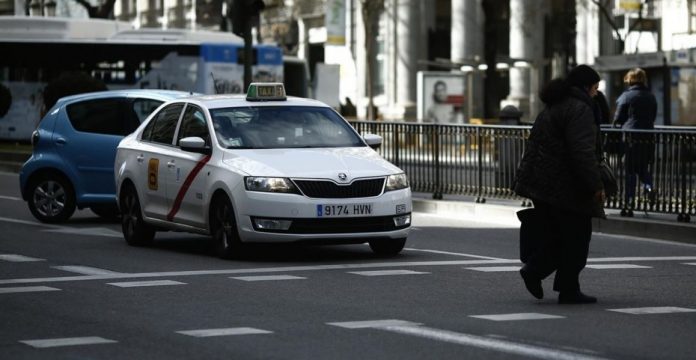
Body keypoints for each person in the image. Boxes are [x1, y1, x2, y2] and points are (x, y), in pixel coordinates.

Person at [513, 64, 605, 304]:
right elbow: (582, 152)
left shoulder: (554, 105)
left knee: (558, 236)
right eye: (595, 88)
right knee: (575, 238)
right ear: (586, 87)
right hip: (566, 185)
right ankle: (550, 279)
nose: (596, 93)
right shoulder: (580, 109)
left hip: (543, 183)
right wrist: (595, 184)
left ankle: (562, 285)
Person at [613, 68, 657, 215]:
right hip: (648, 137)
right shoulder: (651, 96)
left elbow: (618, 118)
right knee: (643, 168)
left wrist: (615, 127)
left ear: (630, 80)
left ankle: (629, 201)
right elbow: (653, 116)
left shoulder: (626, 96)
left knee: (630, 170)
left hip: (630, 138)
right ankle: (649, 187)